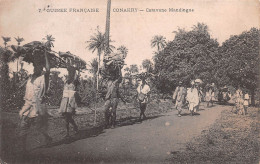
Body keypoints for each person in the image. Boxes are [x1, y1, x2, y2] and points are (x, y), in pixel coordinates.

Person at [18, 51, 52, 152]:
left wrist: (45, 54)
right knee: (23, 126)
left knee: (39, 127)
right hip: (28, 104)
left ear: (41, 69)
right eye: (34, 66)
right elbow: (20, 86)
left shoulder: (43, 78)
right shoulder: (30, 78)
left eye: (38, 67)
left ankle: (47, 138)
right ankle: (23, 149)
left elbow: (48, 69)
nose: (35, 68)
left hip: (38, 106)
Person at [59, 66, 79, 137]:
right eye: (69, 72)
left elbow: (76, 77)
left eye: (71, 72)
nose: (69, 73)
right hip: (65, 100)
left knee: (67, 117)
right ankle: (74, 127)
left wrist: (75, 69)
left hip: (71, 101)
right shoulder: (66, 81)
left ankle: (67, 132)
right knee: (67, 117)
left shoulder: (74, 81)